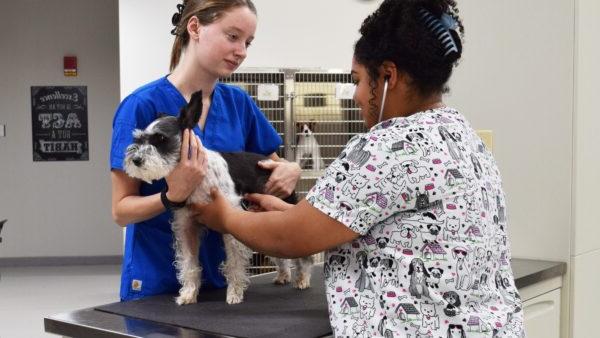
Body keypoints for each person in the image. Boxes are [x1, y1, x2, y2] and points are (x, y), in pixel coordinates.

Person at [194, 0, 525, 336]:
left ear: (388, 76)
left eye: (359, 80)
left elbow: (293, 237)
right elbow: (379, 224)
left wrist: (226, 217)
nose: (355, 95)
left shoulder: (387, 148)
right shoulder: (463, 136)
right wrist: (289, 211)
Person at [110, 0, 301, 302]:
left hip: (227, 283)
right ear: (195, 27)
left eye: (248, 42)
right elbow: (121, 211)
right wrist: (170, 196)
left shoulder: (239, 103)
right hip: (160, 283)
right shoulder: (142, 105)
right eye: (232, 36)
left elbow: (273, 168)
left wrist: (292, 169)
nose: (242, 51)